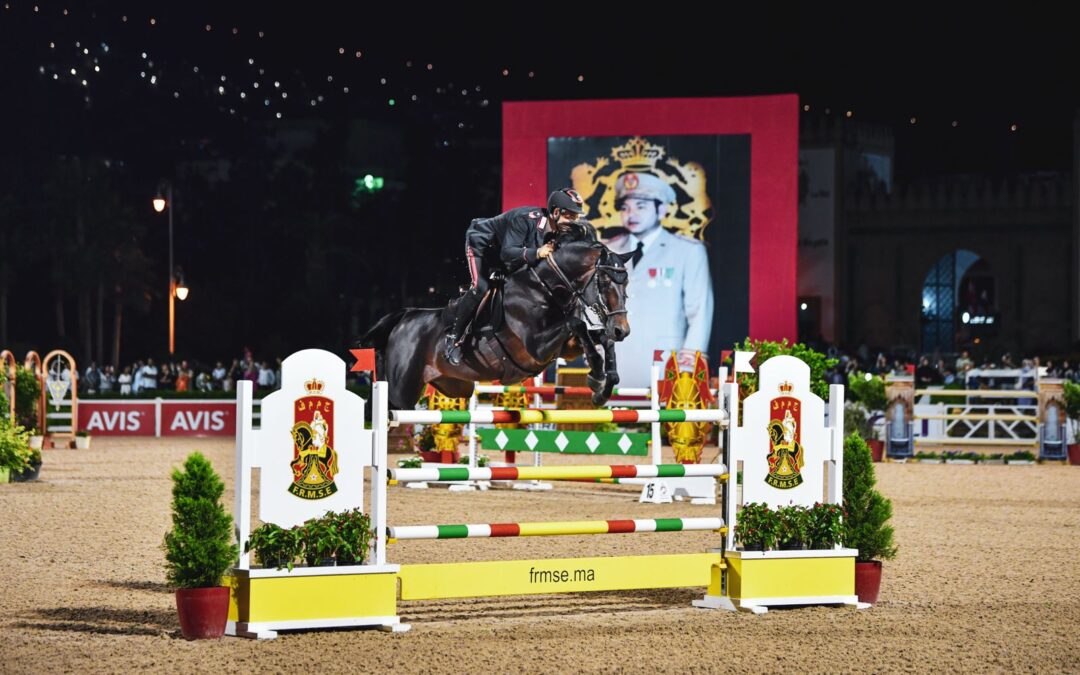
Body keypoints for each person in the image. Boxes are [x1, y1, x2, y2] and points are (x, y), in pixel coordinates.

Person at [444, 188, 586, 365]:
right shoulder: (524, 219)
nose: (573, 223)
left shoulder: (559, 230)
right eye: (570, 217)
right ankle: (453, 339)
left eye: (576, 218)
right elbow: (507, 253)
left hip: (508, 255)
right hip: (483, 244)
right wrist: (538, 252)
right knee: (481, 287)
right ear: (556, 212)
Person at [602, 172, 714, 388]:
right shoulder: (608, 250)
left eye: (640, 206)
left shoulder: (687, 251)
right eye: (625, 208)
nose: (631, 214)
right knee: (613, 420)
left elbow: (699, 311)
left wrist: (689, 366)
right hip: (616, 364)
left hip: (665, 366)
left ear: (661, 209)